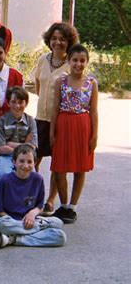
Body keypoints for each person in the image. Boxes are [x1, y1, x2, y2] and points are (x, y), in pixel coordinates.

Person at [33, 23, 78, 216]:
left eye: (62, 39)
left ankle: (50, 200)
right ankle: (33, 196)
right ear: (49, 40)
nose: (57, 42)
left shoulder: (72, 64)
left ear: (69, 42)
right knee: (34, 159)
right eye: (54, 39)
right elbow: (37, 83)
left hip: (60, 121)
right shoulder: (43, 59)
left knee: (57, 164)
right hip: (40, 118)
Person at [50, 44, 98, 224]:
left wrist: (94, 135)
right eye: (75, 60)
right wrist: (52, 133)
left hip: (82, 126)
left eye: (82, 60)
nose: (78, 64)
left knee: (80, 168)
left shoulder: (91, 83)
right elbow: (55, 109)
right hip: (63, 125)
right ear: (69, 61)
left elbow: (93, 111)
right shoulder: (60, 81)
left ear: (87, 62)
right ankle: (62, 205)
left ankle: (73, 206)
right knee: (59, 168)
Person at [0, 144, 67, 247]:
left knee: (59, 228)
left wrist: (32, 213)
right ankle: (27, 234)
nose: (25, 166)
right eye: (21, 161)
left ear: (35, 163)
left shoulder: (38, 179)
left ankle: (14, 238)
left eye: (30, 162)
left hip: (31, 220)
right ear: (14, 162)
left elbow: (39, 206)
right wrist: (15, 222)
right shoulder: (4, 180)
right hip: (10, 220)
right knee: (0, 225)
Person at [0, 86, 38, 179]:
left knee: (31, 176)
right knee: (3, 175)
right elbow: (1, 149)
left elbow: (32, 147)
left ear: (26, 103)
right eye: (13, 102)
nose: (17, 106)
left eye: (20, 102)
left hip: (26, 157)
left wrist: (9, 144)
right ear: (8, 103)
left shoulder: (30, 121)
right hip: (5, 157)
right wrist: (24, 145)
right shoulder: (1, 121)